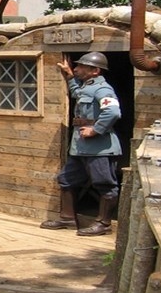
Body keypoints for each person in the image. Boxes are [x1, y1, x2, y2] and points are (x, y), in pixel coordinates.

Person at [40, 52, 122, 236]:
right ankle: (67, 219)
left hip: (100, 148)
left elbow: (113, 112)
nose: (77, 68)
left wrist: (95, 130)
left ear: (95, 71)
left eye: (81, 67)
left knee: (105, 184)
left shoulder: (104, 90)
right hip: (81, 148)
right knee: (67, 179)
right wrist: (69, 75)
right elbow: (78, 93)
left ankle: (104, 224)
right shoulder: (88, 87)